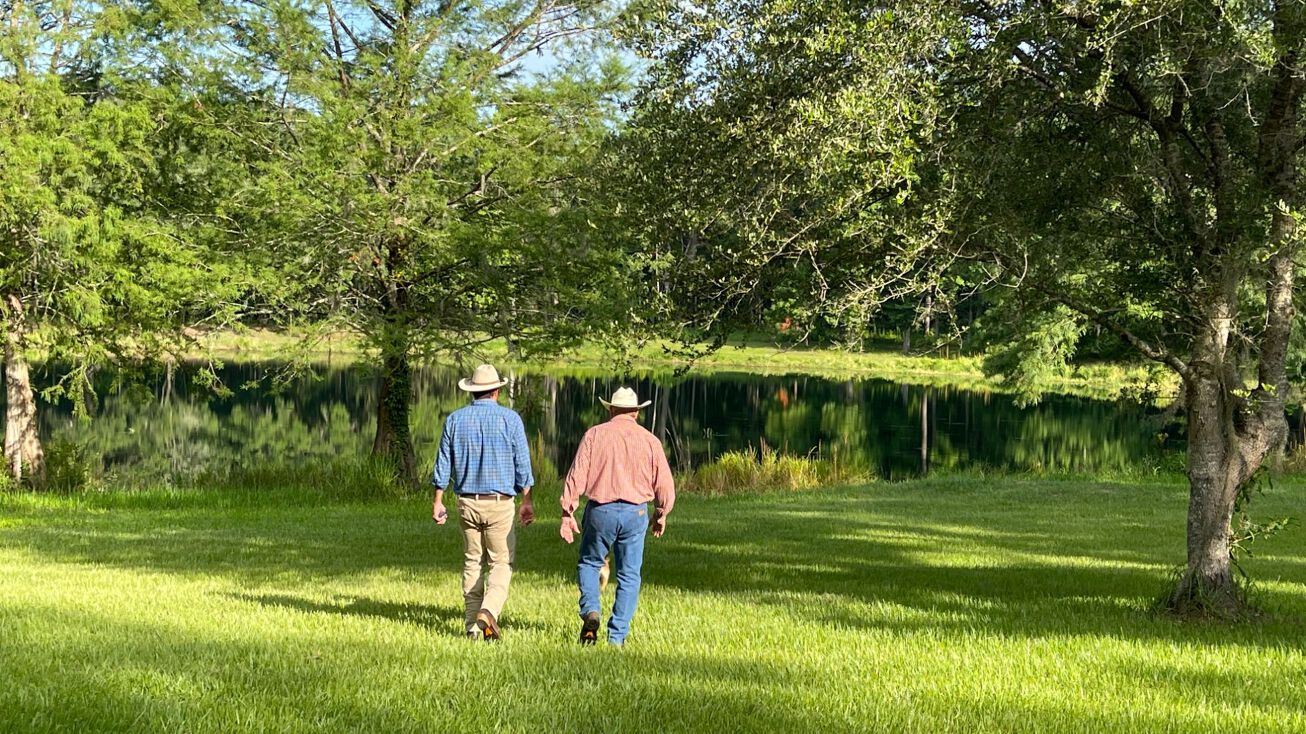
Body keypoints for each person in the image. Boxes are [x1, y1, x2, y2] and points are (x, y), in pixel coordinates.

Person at [559, 386, 676, 646]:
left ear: (611, 409)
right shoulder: (650, 441)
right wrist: (661, 512)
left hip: (601, 510)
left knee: (589, 563)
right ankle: (617, 636)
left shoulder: (594, 435)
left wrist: (568, 512)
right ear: (636, 412)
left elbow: (576, 475)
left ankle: (591, 611)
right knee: (629, 575)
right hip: (636, 512)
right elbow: (665, 485)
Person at [432, 363, 534, 641]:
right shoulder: (511, 420)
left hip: (467, 502)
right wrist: (527, 501)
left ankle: (472, 627)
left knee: (472, 562)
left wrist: (438, 500)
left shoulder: (454, 420)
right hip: (500, 503)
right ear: (497, 391)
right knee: (501, 563)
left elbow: (443, 464)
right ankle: (488, 611)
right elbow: (522, 465)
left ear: (473, 392)